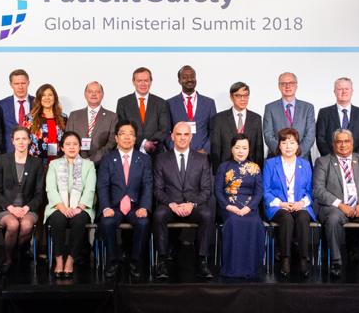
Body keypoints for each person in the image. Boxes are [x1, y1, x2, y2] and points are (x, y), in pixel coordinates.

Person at [313, 129, 359, 278]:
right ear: (333, 144)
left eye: (347, 141)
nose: (343, 145)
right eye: (339, 142)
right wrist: (341, 205)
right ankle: (336, 262)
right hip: (336, 208)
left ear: (352, 143)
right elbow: (318, 190)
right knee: (333, 219)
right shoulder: (323, 162)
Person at [152, 122, 215, 280]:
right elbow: (157, 190)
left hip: (193, 206)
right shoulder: (161, 159)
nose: (182, 138)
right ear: (172, 136)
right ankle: (162, 262)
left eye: (186, 134)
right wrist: (172, 204)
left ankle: (201, 261)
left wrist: (192, 204)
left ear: (191, 137)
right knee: (158, 214)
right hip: (170, 205)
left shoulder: (201, 159)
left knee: (207, 214)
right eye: (178, 134)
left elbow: (207, 190)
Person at [98, 120, 154, 279]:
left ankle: (135, 261)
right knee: (106, 223)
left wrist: (144, 207)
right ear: (116, 137)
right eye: (123, 134)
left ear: (135, 138)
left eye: (131, 134)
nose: (127, 137)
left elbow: (148, 185)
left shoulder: (144, 159)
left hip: (135, 206)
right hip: (114, 207)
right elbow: (102, 186)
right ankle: (113, 262)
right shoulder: (107, 159)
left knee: (143, 223)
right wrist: (105, 207)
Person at [0, 126, 45, 271]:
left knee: (27, 226)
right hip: (4, 207)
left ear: (29, 141)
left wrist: (26, 208)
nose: (21, 142)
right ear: (12, 141)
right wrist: (11, 208)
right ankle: (9, 259)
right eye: (17, 139)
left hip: (28, 208)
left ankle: (8, 256)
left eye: (24, 139)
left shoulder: (36, 163)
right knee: (13, 225)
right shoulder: (2, 160)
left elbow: (39, 194)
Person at [263, 128, 314, 277]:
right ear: (279, 145)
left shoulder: (305, 164)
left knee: (303, 217)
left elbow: (310, 191)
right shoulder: (270, 164)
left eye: (292, 142)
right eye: (284, 142)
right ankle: (285, 258)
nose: (288, 146)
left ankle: (303, 258)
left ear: (297, 145)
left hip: (300, 204)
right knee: (286, 217)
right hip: (278, 206)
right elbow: (266, 191)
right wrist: (281, 204)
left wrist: (301, 203)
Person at [45, 131, 96, 278]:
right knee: (58, 220)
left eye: (75, 144)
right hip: (57, 206)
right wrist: (62, 208)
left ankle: (70, 259)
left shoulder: (88, 165)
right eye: (68, 144)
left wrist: (79, 207)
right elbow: (51, 189)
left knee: (79, 221)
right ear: (62, 147)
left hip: (81, 207)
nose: (72, 147)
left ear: (80, 147)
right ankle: (59, 260)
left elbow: (90, 190)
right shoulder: (54, 164)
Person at [213, 134, 264, 279]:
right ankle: (233, 267)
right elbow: (217, 191)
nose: (241, 151)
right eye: (237, 147)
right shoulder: (223, 167)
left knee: (254, 222)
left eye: (244, 148)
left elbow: (259, 192)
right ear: (232, 149)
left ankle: (251, 267)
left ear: (249, 149)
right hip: (229, 206)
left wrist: (249, 207)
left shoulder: (255, 168)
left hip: (249, 206)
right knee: (234, 221)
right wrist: (227, 206)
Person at [115, 67, 171, 156]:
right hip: (131, 152)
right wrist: (143, 143)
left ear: (151, 82)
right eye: (139, 81)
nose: (143, 84)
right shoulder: (123, 102)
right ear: (133, 82)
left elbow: (164, 129)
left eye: (146, 80)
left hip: (155, 153)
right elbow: (122, 129)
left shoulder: (161, 103)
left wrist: (149, 143)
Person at [211, 82, 265, 170]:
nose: (243, 99)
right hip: (226, 168)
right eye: (239, 96)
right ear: (231, 97)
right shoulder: (220, 118)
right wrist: (217, 171)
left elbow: (259, 148)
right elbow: (216, 147)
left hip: (249, 169)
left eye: (245, 95)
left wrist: (258, 171)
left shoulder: (256, 118)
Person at [262, 72, 316, 160]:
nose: (288, 86)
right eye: (284, 83)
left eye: (291, 83)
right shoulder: (270, 108)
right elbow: (268, 135)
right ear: (279, 86)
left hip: (302, 158)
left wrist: (297, 155)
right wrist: (283, 154)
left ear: (296, 85)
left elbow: (310, 135)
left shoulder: (307, 108)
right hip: (277, 157)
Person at [63, 81, 118, 166]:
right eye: (90, 91)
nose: (93, 94)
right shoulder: (74, 115)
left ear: (102, 95)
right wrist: (79, 159)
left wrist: (92, 159)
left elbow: (112, 143)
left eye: (97, 91)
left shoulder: (112, 117)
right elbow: (68, 139)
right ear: (85, 94)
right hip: (76, 163)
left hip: (101, 164)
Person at [167, 65, 215, 155]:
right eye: (185, 77)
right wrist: (176, 149)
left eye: (192, 76)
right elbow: (166, 131)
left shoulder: (209, 103)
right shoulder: (170, 103)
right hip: (178, 155)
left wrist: (205, 150)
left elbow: (213, 130)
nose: (189, 79)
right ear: (179, 81)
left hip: (202, 156)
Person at [316, 77, 359, 157]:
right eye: (340, 89)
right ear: (335, 92)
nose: (344, 92)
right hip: (331, 160)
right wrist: (332, 159)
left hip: (356, 161)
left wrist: (355, 160)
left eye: (347, 89)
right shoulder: (324, 113)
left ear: (352, 91)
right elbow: (321, 139)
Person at [24, 84, 67, 164]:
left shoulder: (63, 117)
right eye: (43, 95)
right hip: (36, 162)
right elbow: (25, 141)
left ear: (55, 98)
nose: (47, 98)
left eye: (50, 95)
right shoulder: (30, 118)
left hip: (59, 161)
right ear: (39, 98)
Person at [0, 69, 33, 154]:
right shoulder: (1, 105)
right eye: (16, 84)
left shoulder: (37, 103)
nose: (20, 87)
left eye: (23, 83)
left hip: (33, 152)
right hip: (8, 152)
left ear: (28, 83)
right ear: (11, 85)